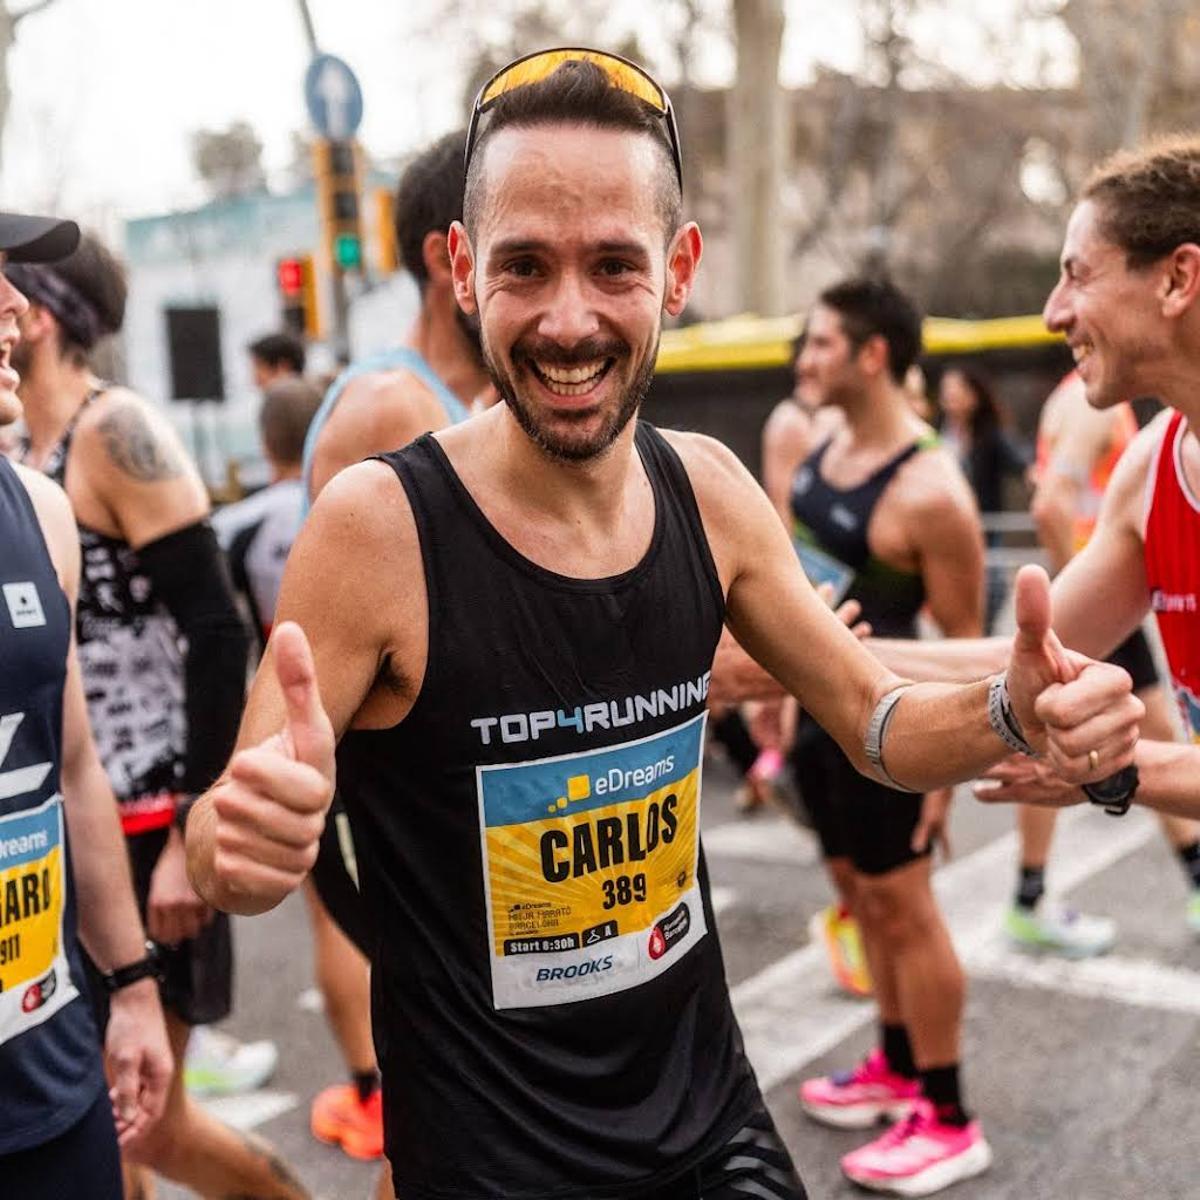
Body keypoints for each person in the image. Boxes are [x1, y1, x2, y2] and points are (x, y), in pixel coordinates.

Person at [184, 50, 1141, 1200]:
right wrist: (240, 850)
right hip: (490, 1166)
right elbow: (224, 840)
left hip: (711, 1132)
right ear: (462, 270)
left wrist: (1007, 709)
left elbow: (876, 721)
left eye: (614, 266)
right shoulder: (379, 529)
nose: (570, 319)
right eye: (525, 266)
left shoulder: (710, 490)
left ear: (678, 271)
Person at [9, 233, 308, 1198]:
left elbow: (219, 632)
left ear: (39, 316)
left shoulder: (112, 429)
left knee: (149, 1125)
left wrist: (193, 822)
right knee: (113, 1118)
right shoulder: (27, 454)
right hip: (63, 830)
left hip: (147, 822)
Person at [866, 138, 1200, 832]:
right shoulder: (1151, 468)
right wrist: (791, 654)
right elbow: (1019, 664)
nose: (1054, 312)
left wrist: (1122, 767)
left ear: (1177, 279)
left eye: (1078, 275)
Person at [295, 130, 495, 1175]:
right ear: (445, 257)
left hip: (463, 803)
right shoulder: (397, 405)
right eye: (512, 243)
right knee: (442, 1116)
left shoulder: (474, 401)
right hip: (404, 802)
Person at [784, 279, 993, 1191]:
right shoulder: (822, 446)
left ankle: (948, 1114)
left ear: (874, 355)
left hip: (891, 739)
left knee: (908, 913)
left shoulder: (931, 491)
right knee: (869, 908)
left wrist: (943, 772)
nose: (806, 360)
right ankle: (897, 1067)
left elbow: (966, 646)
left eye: (823, 343)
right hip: (817, 728)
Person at [0, 210, 171, 1195]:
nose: (17, 309)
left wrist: (135, 988)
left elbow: (72, 767)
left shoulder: (44, 515)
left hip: (52, 1087)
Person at [1003, 368, 1200, 953]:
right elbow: (1049, 506)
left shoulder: (1072, 399)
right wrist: (1094, 595)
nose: (1059, 310)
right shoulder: (1095, 407)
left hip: (1097, 587)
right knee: (1068, 737)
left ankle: (1031, 894)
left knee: (1111, 733)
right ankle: (1030, 896)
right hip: (1097, 591)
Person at [215, 377, 322, 651]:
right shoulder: (356, 511)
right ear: (324, 433)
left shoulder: (233, 525)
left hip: (276, 677)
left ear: (264, 444)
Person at [936, 363, 1028, 630]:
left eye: (958, 390)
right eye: (947, 390)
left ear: (974, 395)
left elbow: (1018, 460)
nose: (951, 396)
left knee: (991, 590)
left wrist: (1033, 474)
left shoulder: (990, 435)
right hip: (948, 531)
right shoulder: (937, 434)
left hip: (984, 530)